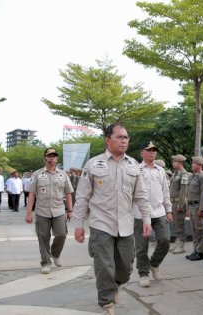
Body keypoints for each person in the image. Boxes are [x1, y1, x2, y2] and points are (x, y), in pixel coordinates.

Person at [73, 124, 152, 315]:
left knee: (125, 268)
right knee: (104, 266)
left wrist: (147, 218)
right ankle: (107, 304)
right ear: (108, 140)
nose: (124, 140)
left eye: (126, 137)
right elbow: (82, 196)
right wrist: (78, 224)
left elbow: (141, 195)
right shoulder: (93, 164)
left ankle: (116, 285)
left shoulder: (133, 164)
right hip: (101, 224)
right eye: (120, 137)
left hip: (125, 224)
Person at [25, 148, 74, 274]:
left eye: (54, 156)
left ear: (57, 158)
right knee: (43, 238)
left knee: (61, 234)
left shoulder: (63, 174)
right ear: (45, 158)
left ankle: (55, 254)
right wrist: (29, 213)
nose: (52, 158)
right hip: (42, 211)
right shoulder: (37, 174)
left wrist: (70, 210)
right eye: (49, 156)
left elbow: (68, 193)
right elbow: (31, 195)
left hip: (59, 210)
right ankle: (46, 262)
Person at [134, 141, 173, 288]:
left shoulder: (160, 171)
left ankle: (154, 264)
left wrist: (168, 210)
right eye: (149, 150)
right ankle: (143, 273)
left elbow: (165, 192)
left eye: (154, 150)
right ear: (142, 153)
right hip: (140, 214)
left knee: (165, 240)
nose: (152, 153)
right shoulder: (136, 169)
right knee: (142, 246)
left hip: (159, 212)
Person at [185, 156, 203, 261]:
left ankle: (200, 252)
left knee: (200, 230)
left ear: (199, 165)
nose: (192, 165)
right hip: (192, 205)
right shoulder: (193, 176)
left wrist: (202, 208)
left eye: (194, 163)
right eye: (192, 163)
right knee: (194, 230)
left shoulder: (202, 177)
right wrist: (188, 208)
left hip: (198, 206)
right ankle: (196, 250)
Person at [168, 154, 190, 255]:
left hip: (178, 203)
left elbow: (183, 191)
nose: (173, 163)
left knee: (180, 224)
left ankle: (181, 244)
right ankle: (177, 242)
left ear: (180, 163)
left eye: (174, 161)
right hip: (173, 202)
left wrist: (181, 205)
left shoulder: (183, 174)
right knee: (175, 224)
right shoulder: (176, 174)